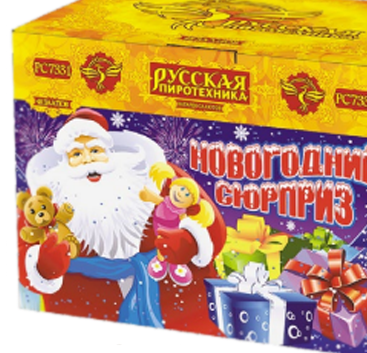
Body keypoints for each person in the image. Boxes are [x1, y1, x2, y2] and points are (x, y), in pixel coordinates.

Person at [18, 108, 226, 332]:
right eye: (76, 155)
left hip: (182, 317)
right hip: (85, 323)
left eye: (95, 150)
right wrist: (43, 267)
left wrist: (190, 242)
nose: (88, 160)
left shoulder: (157, 176)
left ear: (109, 151)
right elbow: (20, 257)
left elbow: (211, 224)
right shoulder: (43, 200)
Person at [140, 162, 215, 285]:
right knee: (161, 246)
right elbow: (155, 199)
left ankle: (176, 264)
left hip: (174, 235)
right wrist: (147, 195)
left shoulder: (182, 212)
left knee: (175, 249)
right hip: (159, 230)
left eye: (187, 194)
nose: (181, 194)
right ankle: (160, 260)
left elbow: (186, 223)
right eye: (181, 189)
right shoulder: (165, 201)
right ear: (173, 186)